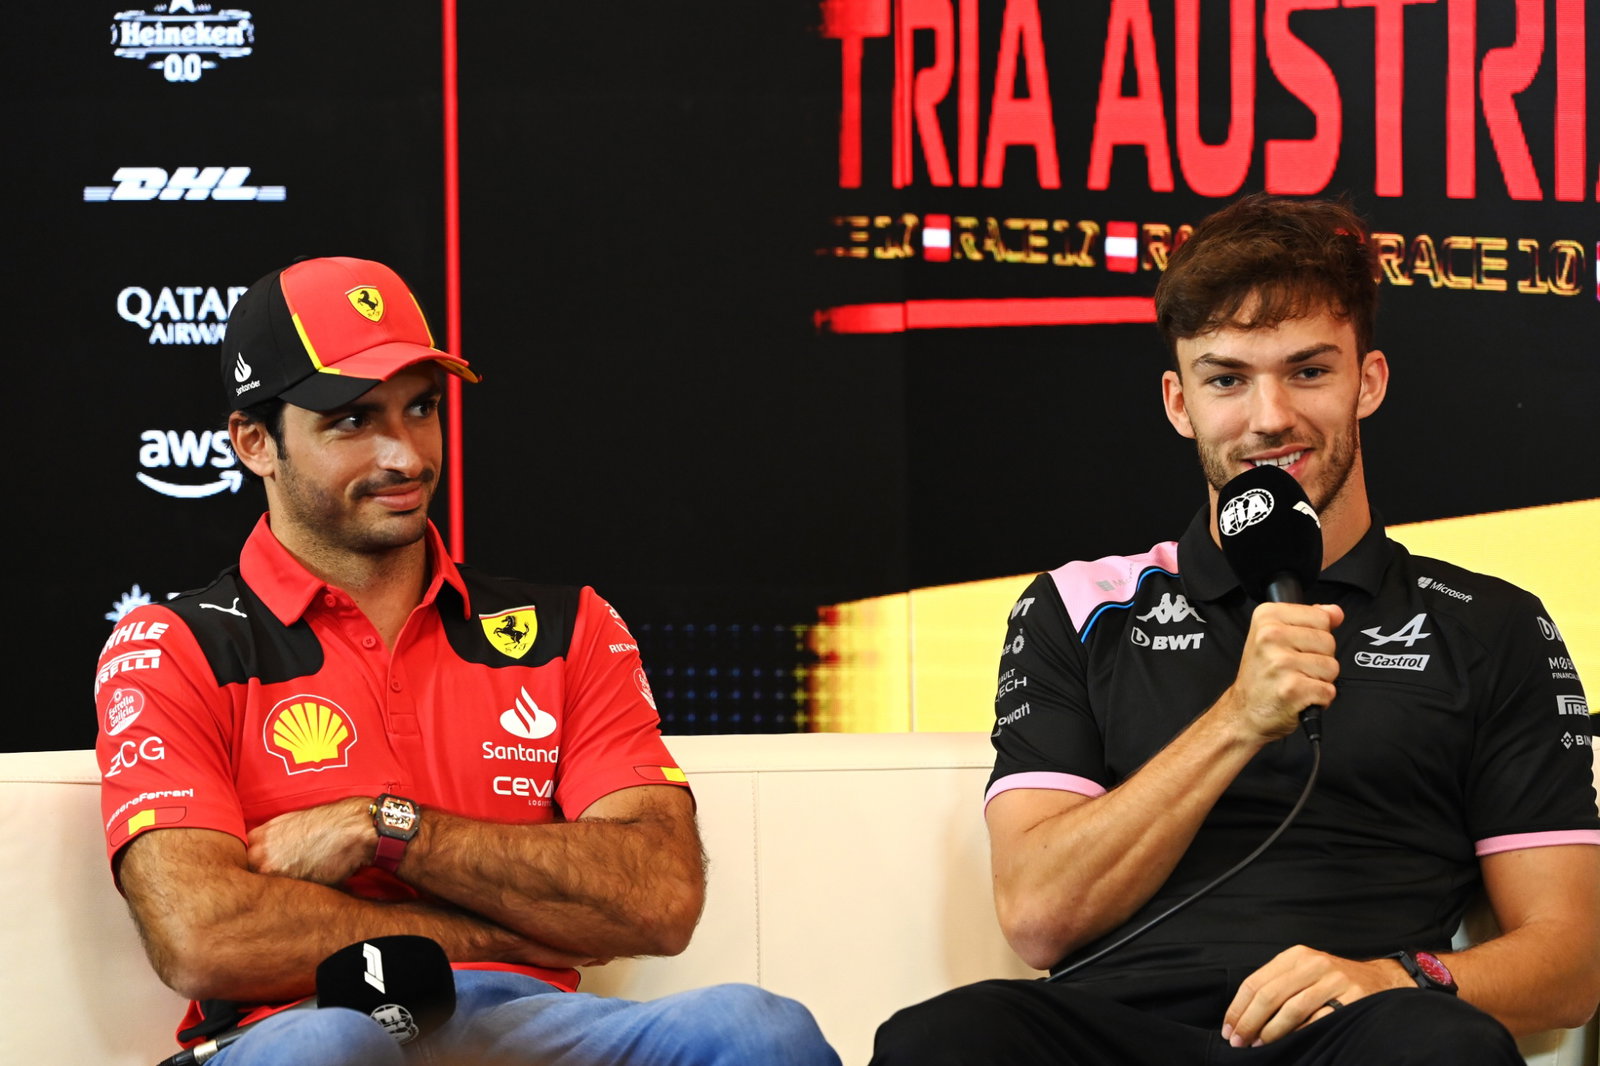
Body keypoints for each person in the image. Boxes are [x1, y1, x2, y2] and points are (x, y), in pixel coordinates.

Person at [870, 195, 1600, 1064]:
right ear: (1179, 402)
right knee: (945, 1039)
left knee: (1439, 1048)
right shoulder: (1076, 606)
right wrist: (1238, 719)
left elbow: (1572, 963)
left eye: (1308, 371)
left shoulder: (1490, 623)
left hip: (1357, 1030)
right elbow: (1036, 916)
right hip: (1121, 1034)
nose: (1268, 418)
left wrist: (1397, 978)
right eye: (1227, 379)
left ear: (1368, 380)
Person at [94, 256, 841, 1066]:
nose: (407, 456)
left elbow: (658, 898)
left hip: (525, 1029)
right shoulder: (175, 645)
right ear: (254, 443)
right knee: (332, 1046)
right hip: (291, 1029)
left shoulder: (566, 626)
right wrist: (511, 924)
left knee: (759, 1031)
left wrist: (388, 830)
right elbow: (201, 936)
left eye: (421, 409)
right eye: (352, 420)